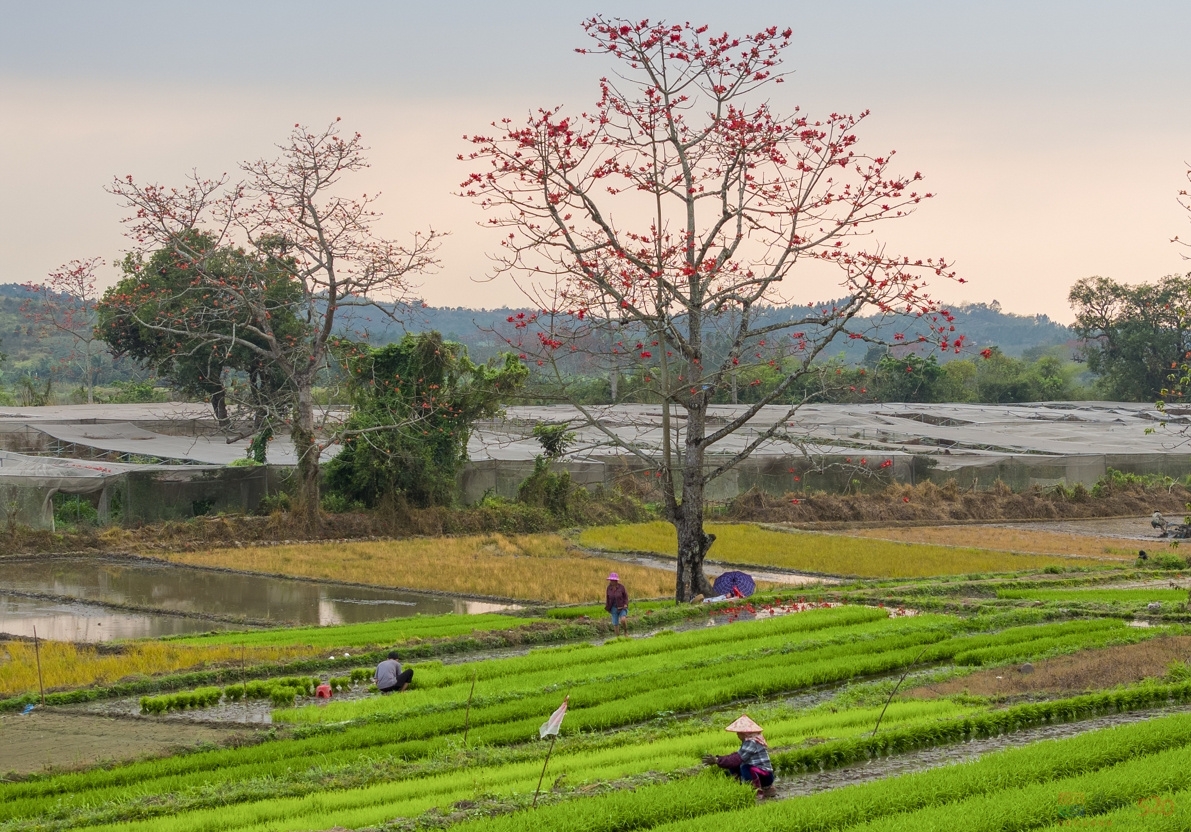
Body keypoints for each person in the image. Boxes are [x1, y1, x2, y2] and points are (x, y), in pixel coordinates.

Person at [702, 714, 777, 799]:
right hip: (760, 773)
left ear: (744, 733)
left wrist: (717, 760)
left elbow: (737, 759)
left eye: (739, 733)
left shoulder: (752, 742)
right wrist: (719, 759)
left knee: (745, 767)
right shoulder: (749, 741)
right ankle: (740, 786)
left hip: (765, 776)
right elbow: (736, 756)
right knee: (734, 765)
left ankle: (758, 790)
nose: (737, 735)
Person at [605, 572, 629, 637]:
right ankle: (618, 638)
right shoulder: (608, 588)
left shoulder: (621, 587)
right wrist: (608, 607)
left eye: (613, 580)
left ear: (616, 581)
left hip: (622, 607)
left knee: (623, 620)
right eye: (611, 580)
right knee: (615, 624)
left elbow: (626, 597)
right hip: (613, 608)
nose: (611, 581)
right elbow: (607, 598)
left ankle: (625, 632)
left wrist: (625, 604)